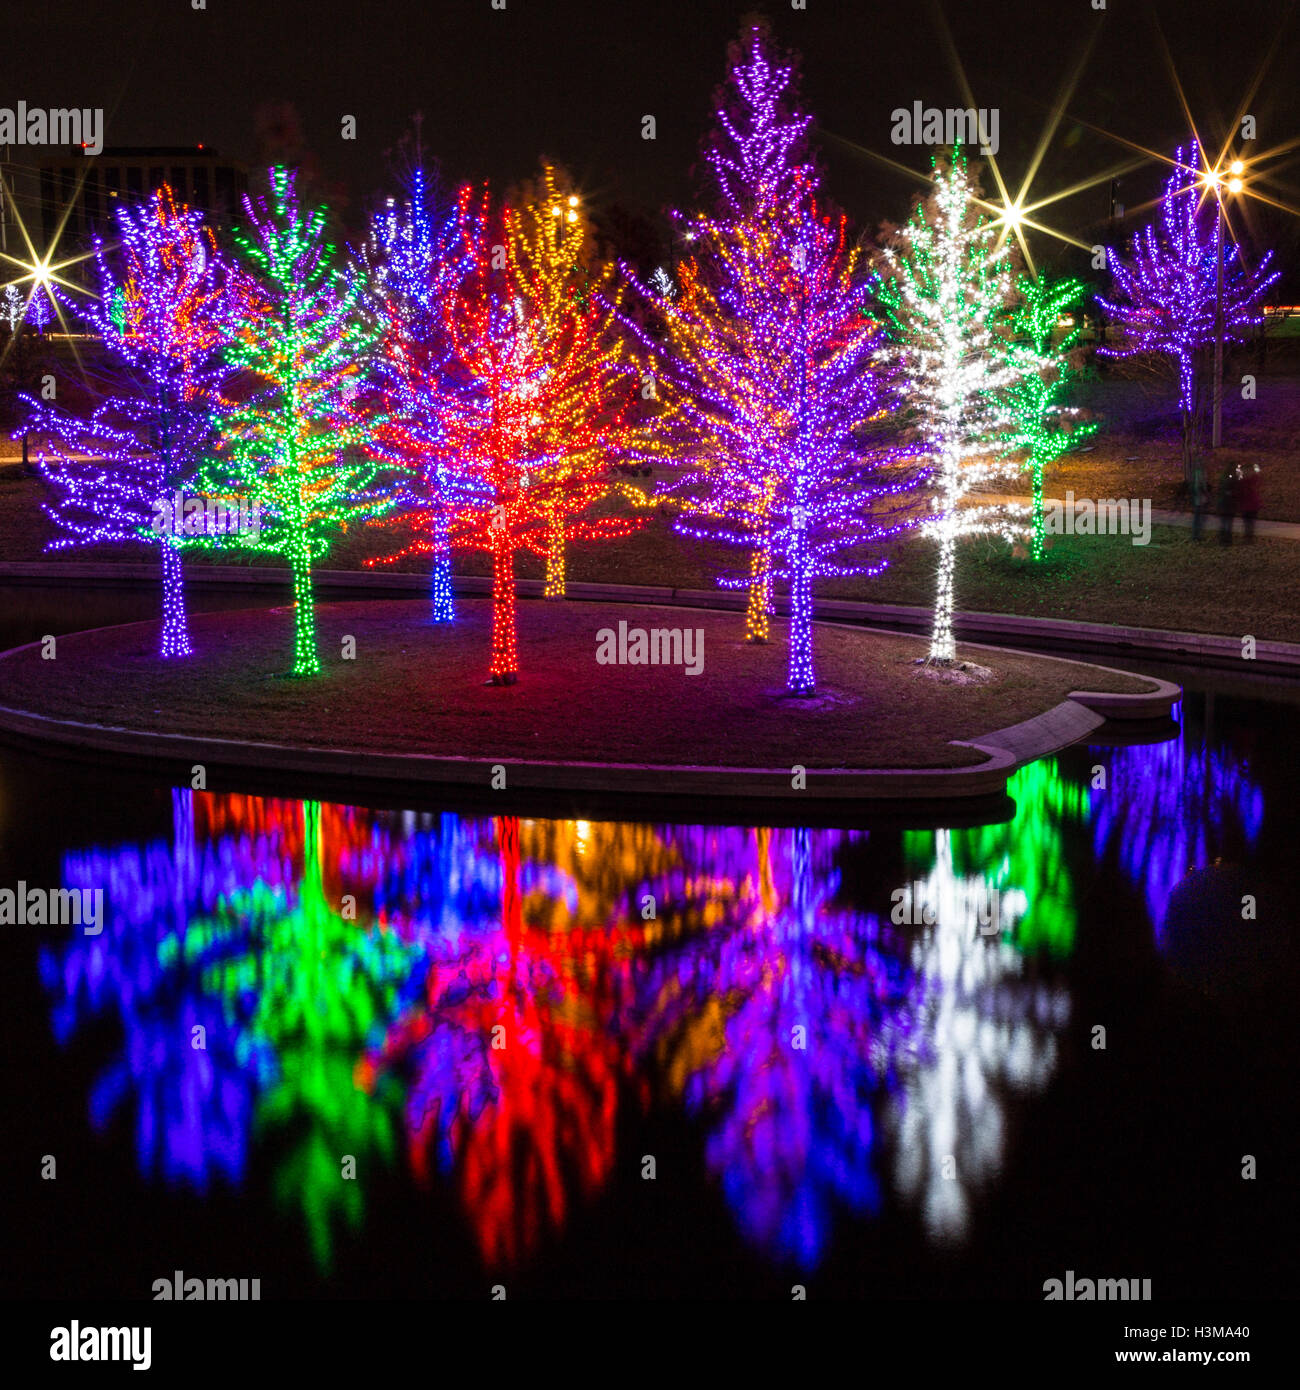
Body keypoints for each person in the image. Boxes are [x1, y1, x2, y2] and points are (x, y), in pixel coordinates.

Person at [1237, 463, 1261, 543]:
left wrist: (1239, 469)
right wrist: (1256, 467)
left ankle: (1247, 537)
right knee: (1250, 523)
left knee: (1247, 523)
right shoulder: (1252, 481)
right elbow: (1257, 477)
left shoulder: (1243, 481)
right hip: (1252, 505)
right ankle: (1249, 538)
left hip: (1246, 505)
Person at [1217, 465, 1237, 545]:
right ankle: (1227, 539)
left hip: (1225, 504)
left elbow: (1220, 491)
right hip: (1228, 504)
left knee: (1225, 523)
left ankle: (1224, 539)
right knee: (1227, 523)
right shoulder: (1232, 479)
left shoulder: (1223, 479)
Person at [1190, 463, 1208, 540]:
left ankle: (1196, 534)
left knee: (1198, 518)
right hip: (1199, 500)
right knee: (1198, 518)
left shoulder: (1198, 473)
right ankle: (1196, 535)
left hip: (1199, 500)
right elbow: (1199, 486)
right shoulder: (1199, 473)